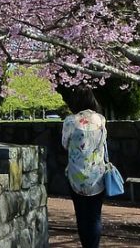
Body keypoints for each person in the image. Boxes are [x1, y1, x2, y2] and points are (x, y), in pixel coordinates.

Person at [61, 88, 109, 248]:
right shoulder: (100, 120)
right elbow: (103, 141)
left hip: (76, 175)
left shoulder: (70, 121)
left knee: (81, 216)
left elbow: (64, 144)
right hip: (97, 176)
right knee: (95, 216)